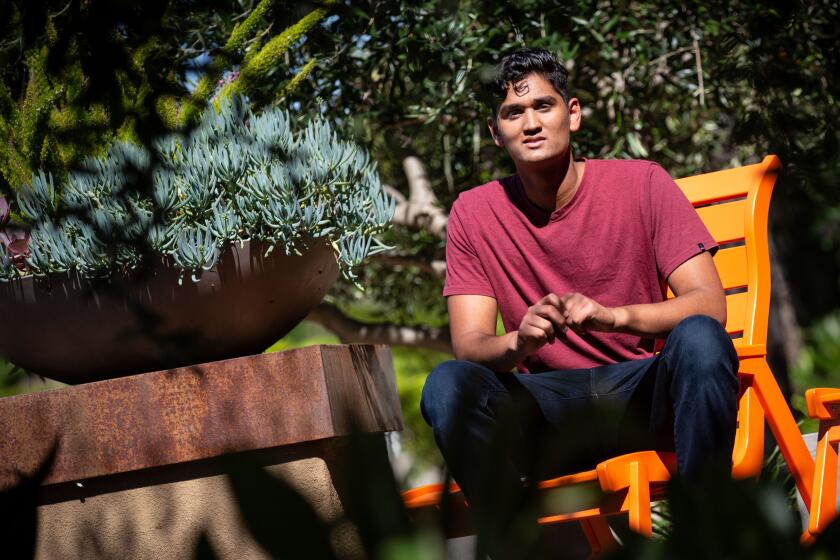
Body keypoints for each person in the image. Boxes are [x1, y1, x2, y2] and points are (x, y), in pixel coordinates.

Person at [420, 48, 739, 557]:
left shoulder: (642, 183)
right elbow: (471, 345)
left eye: (543, 107)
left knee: (701, 339)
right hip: (546, 412)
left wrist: (612, 317)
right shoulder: (474, 213)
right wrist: (518, 341)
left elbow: (709, 305)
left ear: (573, 113)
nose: (529, 123)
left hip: (641, 395)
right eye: (512, 113)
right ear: (494, 131)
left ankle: (707, 539)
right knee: (447, 384)